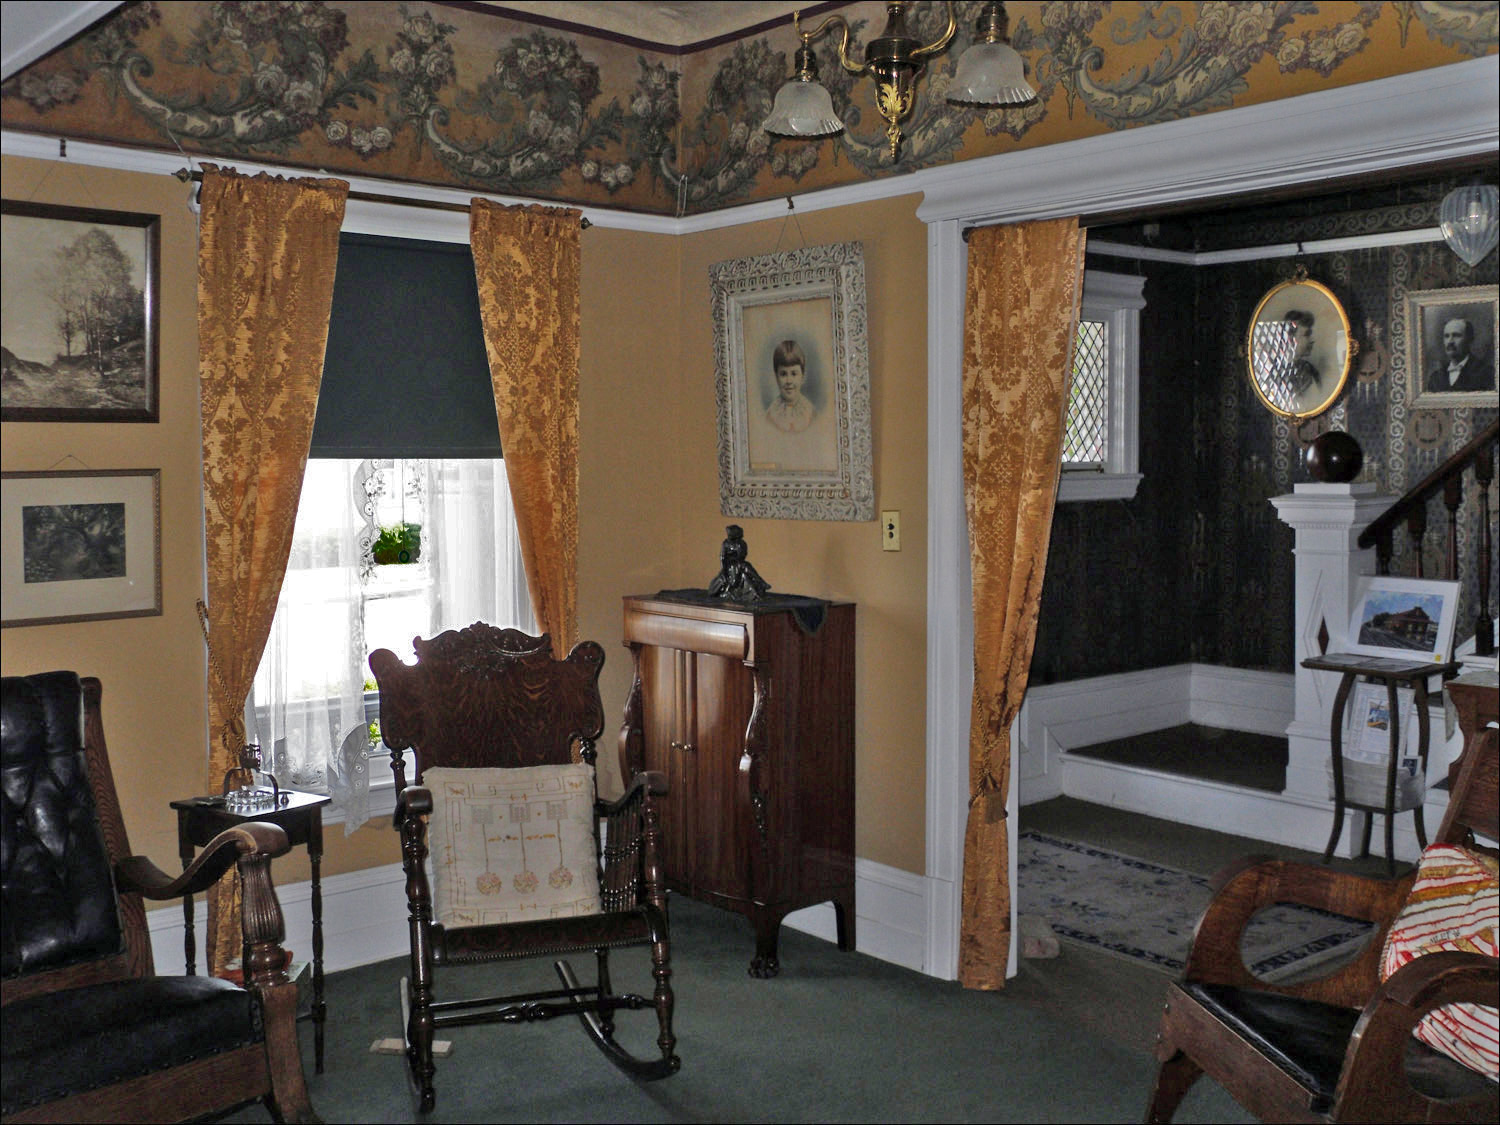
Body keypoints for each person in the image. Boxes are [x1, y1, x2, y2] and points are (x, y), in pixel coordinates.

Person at [1426, 316, 1496, 392]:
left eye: (1456, 335)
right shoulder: (1436, 378)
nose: (1450, 341)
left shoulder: (1486, 373)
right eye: (1446, 336)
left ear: (1469, 339)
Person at [765, 339, 816, 433]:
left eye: (794, 374)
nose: (789, 381)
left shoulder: (811, 414)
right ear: (776, 377)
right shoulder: (771, 416)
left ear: (803, 376)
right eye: (783, 374)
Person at [1283, 309, 1321, 403]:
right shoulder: (1278, 373)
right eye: (1307, 335)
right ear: (1291, 339)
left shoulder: (1310, 370)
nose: (1312, 340)